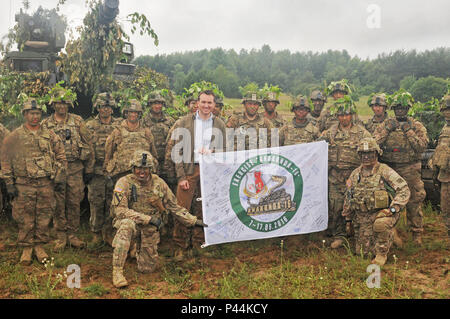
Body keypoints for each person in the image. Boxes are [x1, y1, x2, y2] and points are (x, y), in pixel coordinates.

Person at [111, 150, 207, 288]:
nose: (141, 172)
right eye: (138, 168)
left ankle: (136, 250)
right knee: (126, 226)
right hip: (131, 222)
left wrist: (192, 221)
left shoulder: (159, 183)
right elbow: (120, 211)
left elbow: (174, 207)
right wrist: (147, 218)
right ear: (133, 168)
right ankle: (118, 272)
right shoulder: (124, 182)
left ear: (151, 169)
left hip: (149, 228)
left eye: (145, 168)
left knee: (147, 269)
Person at [1, 98, 67, 264]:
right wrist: (9, 182)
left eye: (37, 113)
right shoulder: (15, 135)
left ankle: (39, 246)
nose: (34, 116)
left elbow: (61, 155)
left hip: (45, 183)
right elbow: (5, 158)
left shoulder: (49, 134)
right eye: (31, 113)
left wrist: (59, 174)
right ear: (25, 114)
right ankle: (26, 247)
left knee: (44, 215)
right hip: (24, 184)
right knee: (25, 216)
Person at [170, 90, 226, 260]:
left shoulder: (219, 124)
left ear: (214, 105)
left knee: (204, 208)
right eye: (203, 102)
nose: (206, 106)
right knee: (182, 208)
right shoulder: (184, 122)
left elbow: (225, 149)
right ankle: (180, 246)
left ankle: (200, 242)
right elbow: (176, 151)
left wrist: (212, 151)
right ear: (197, 103)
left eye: (210, 103)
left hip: (209, 171)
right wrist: (181, 178)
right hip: (189, 170)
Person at [41, 87, 95, 250]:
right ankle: (60, 236)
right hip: (56, 169)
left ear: (69, 104)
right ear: (53, 105)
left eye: (65, 103)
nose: (62, 106)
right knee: (57, 202)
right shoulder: (46, 124)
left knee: (74, 201)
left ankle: (72, 235)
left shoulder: (78, 121)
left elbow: (89, 144)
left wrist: (89, 168)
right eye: (59, 103)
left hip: (75, 168)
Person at [343, 137, 410, 266]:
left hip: (382, 214)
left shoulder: (385, 171)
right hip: (362, 217)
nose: (366, 157)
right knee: (363, 253)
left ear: (376, 154)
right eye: (363, 154)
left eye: (369, 153)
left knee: (380, 225)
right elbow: (348, 196)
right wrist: (348, 219)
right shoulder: (355, 174)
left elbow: (404, 190)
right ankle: (391, 235)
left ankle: (382, 253)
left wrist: (392, 209)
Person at [374, 90, 428, 245]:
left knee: (414, 200)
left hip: (410, 168)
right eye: (397, 108)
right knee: (387, 202)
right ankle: (392, 232)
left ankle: (416, 233)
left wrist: (408, 131)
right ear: (393, 109)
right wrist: (386, 130)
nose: (400, 111)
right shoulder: (386, 124)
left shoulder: (416, 126)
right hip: (390, 170)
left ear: (408, 109)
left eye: (403, 108)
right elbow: (374, 144)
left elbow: (421, 147)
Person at [319, 96, 372, 248]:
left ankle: (358, 235)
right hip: (335, 177)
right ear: (337, 116)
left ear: (352, 115)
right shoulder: (331, 132)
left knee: (358, 207)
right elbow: (316, 146)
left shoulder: (362, 133)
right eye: (341, 115)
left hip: (355, 177)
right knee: (336, 207)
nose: (344, 118)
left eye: (347, 114)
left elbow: (371, 153)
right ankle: (339, 236)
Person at [85, 92, 122, 245]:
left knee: (113, 202)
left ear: (112, 109)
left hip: (114, 172)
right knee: (96, 202)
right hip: (97, 171)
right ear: (97, 108)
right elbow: (86, 148)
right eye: (102, 107)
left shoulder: (119, 125)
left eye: (108, 107)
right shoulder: (89, 126)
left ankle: (110, 232)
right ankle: (96, 233)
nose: (105, 110)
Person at [104, 99, 158, 183]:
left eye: (136, 112)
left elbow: (153, 154)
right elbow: (108, 154)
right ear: (126, 113)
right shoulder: (117, 131)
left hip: (142, 174)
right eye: (130, 112)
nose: (133, 115)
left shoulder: (146, 132)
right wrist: (107, 171)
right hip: (121, 174)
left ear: (139, 114)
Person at [142, 91, 175, 181]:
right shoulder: (143, 122)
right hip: (150, 162)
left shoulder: (170, 121)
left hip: (167, 163)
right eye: (155, 103)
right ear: (150, 104)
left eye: (160, 103)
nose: (157, 106)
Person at [431, 94, 450, 236]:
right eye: (444, 109)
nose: (447, 112)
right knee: (446, 207)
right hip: (445, 175)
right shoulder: (445, 127)